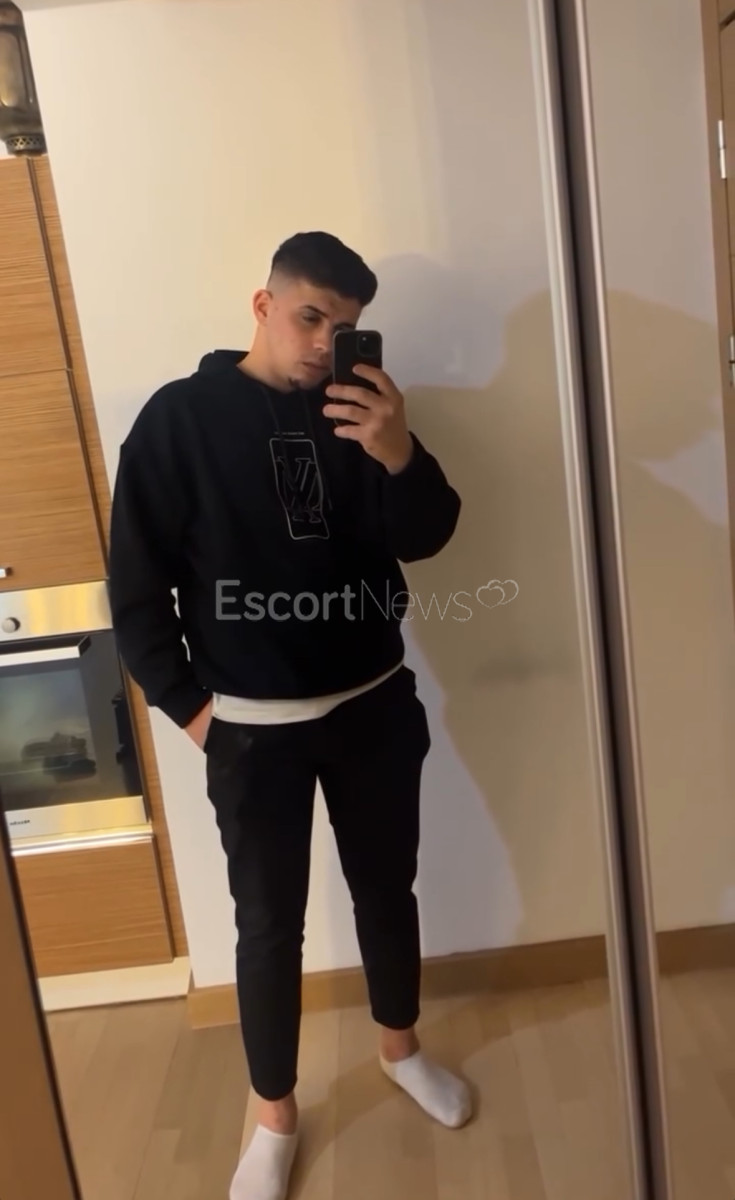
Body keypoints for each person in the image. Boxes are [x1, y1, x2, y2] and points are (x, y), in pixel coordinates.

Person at [108, 231, 467, 1200]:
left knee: (386, 890)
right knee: (267, 927)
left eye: (342, 327)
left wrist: (397, 452)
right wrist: (195, 714)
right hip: (250, 730)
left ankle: (400, 1049)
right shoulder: (178, 421)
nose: (322, 344)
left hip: (373, 706)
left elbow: (429, 534)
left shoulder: (363, 412)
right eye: (309, 317)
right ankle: (273, 1117)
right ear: (263, 306)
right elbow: (136, 594)